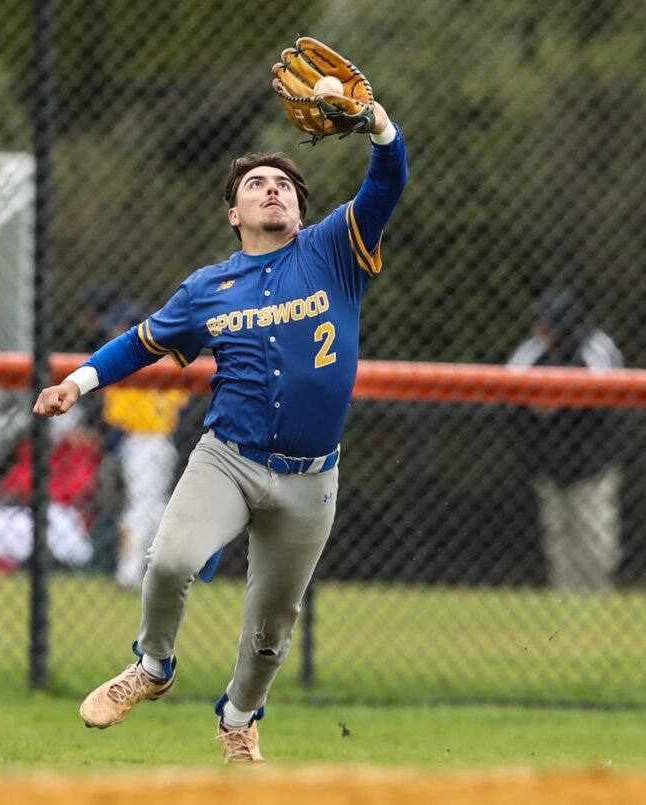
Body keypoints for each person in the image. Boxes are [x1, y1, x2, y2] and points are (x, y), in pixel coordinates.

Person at [33, 99, 407, 763]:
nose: (274, 189)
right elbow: (140, 342)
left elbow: (387, 181)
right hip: (228, 459)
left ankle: (238, 718)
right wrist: (79, 382)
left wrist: (377, 123)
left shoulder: (333, 250)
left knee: (271, 627)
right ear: (235, 213)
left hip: (311, 475)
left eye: (286, 184)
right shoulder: (209, 288)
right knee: (170, 559)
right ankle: (152, 665)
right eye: (257, 183)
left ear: (298, 210)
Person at [506, 287, 624, 591]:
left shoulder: (595, 346)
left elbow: (607, 390)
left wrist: (559, 400)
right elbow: (508, 383)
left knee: (596, 540)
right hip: (550, 463)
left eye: (546, 324)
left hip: (592, 465)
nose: (539, 331)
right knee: (557, 540)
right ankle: (564, 602)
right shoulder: (534, 350)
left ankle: (598, 603)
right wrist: (536, 402)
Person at [97, 301, 190, 590]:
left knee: (143, 508)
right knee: (154, 507)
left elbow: (115, 415)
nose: (113, 332)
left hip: (147, 441)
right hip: (151, 442)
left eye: (119, 327)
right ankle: (165, 567)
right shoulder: (160, 358)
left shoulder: (137, 360)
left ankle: (130, 574)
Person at [0, 408, 102, 573]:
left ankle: (47, 566)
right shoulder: (33, 447)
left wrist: (39, 494)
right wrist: (16, 494)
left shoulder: (80, 451)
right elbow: (15, 480)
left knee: (50, 520)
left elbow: (78, 487)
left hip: (60, 510)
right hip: (22, 507)